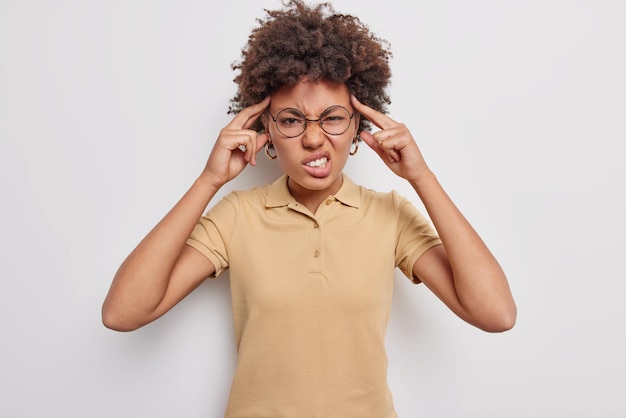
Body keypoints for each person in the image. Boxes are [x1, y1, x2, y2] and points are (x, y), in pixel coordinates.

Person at [102, 1, 516, 416]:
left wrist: (421, 177)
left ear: (358, 126)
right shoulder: (238, 215)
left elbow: (496, 314)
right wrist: (208, 181)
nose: (315, 139)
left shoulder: (389, 215)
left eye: (333, 118)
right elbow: (122, 313)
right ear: (265, 129)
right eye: (292, 120)